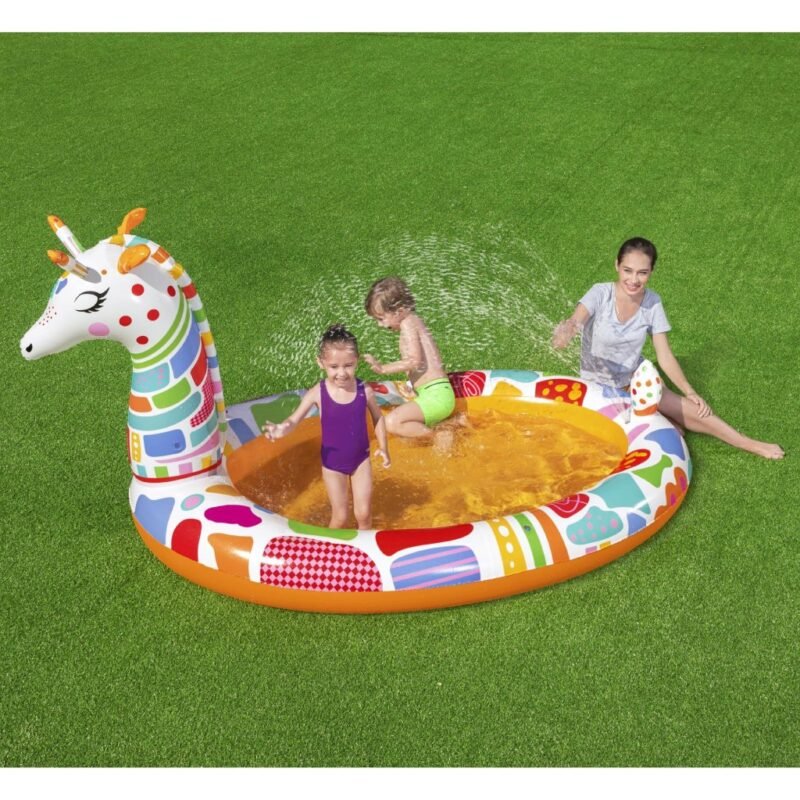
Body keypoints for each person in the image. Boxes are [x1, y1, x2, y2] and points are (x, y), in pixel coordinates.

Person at [552, 237, 784, 459]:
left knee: (693, 410)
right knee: (614, 435)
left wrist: (689, 391)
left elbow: (664, 355)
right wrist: (567, 331)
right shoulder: (600, 293)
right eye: (627, 270)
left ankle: (748, 443)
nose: (634, 280)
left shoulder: (652, 303)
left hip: (634, 379)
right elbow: (576, 320)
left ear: (651, 271)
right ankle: (659, 416)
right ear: (617, 266)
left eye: (642, 273)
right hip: (599, 387)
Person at [263, 324, 391, 529]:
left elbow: (378, 417)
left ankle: (364, 548)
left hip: (361, 460)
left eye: (348, 365)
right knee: (340, 517)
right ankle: (330, 549)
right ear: (321, 363)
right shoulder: (318, 392)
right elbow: (294, 420)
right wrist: (281, 429)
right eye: (334, 367)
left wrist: (384, 447)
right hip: (333, 465)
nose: (342, 373)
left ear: (357, 361)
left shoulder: (363, 390)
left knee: (364, 515)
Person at [362, 277, 456, 438]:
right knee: (404, 426)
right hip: (433, 394)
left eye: (381, 318)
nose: (380, 325)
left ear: (398, 310)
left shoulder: (408, 323)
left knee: (392, 422)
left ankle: (439, 435)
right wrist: (412, 387)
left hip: (437, 396)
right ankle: (454, 423)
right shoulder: (413, 322)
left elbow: (414, 361)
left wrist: (383, 368)